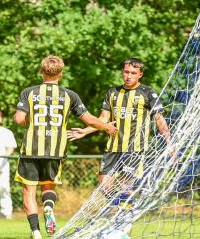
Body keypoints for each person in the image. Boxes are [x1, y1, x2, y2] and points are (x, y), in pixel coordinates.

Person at [14, 55, 117, 239]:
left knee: (29, 190)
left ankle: (35, 231)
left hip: (31, 150)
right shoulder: (70, 95)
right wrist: (107, 126)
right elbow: (89, 120)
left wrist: (33, 120)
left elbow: (19, 119)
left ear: (41, 71)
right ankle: (48, 206)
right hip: (55, 151)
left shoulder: (29, 92)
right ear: (61, 74)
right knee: (48, 186)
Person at [68, 58, 172, 195]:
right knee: (105, 186)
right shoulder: (112, 93)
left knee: (125, 187)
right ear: (122, 72)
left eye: (133, 73)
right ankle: (119, 210)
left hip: (135, 148)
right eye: (126, 72)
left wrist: (170, 143)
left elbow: (159, 119)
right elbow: (103, 119)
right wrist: (85, 132)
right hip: (113, 147)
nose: (129, 76)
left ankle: (123, 213)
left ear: (140, 74)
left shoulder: (147, 93)